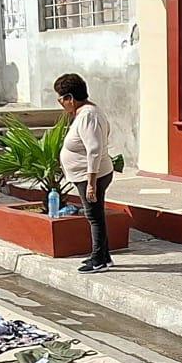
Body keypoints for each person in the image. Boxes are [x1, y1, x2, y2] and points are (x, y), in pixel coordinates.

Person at [55, 73, 116, 273]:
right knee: (96, 215)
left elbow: (94, 149)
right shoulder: (84, 114)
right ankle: (103, 257)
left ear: (70, 98)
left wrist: (91, 182)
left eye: (61, 99)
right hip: (88, 174)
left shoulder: (88, 115)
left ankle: (98, 259)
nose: (61, 104)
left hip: (92, 175)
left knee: (94, 217)